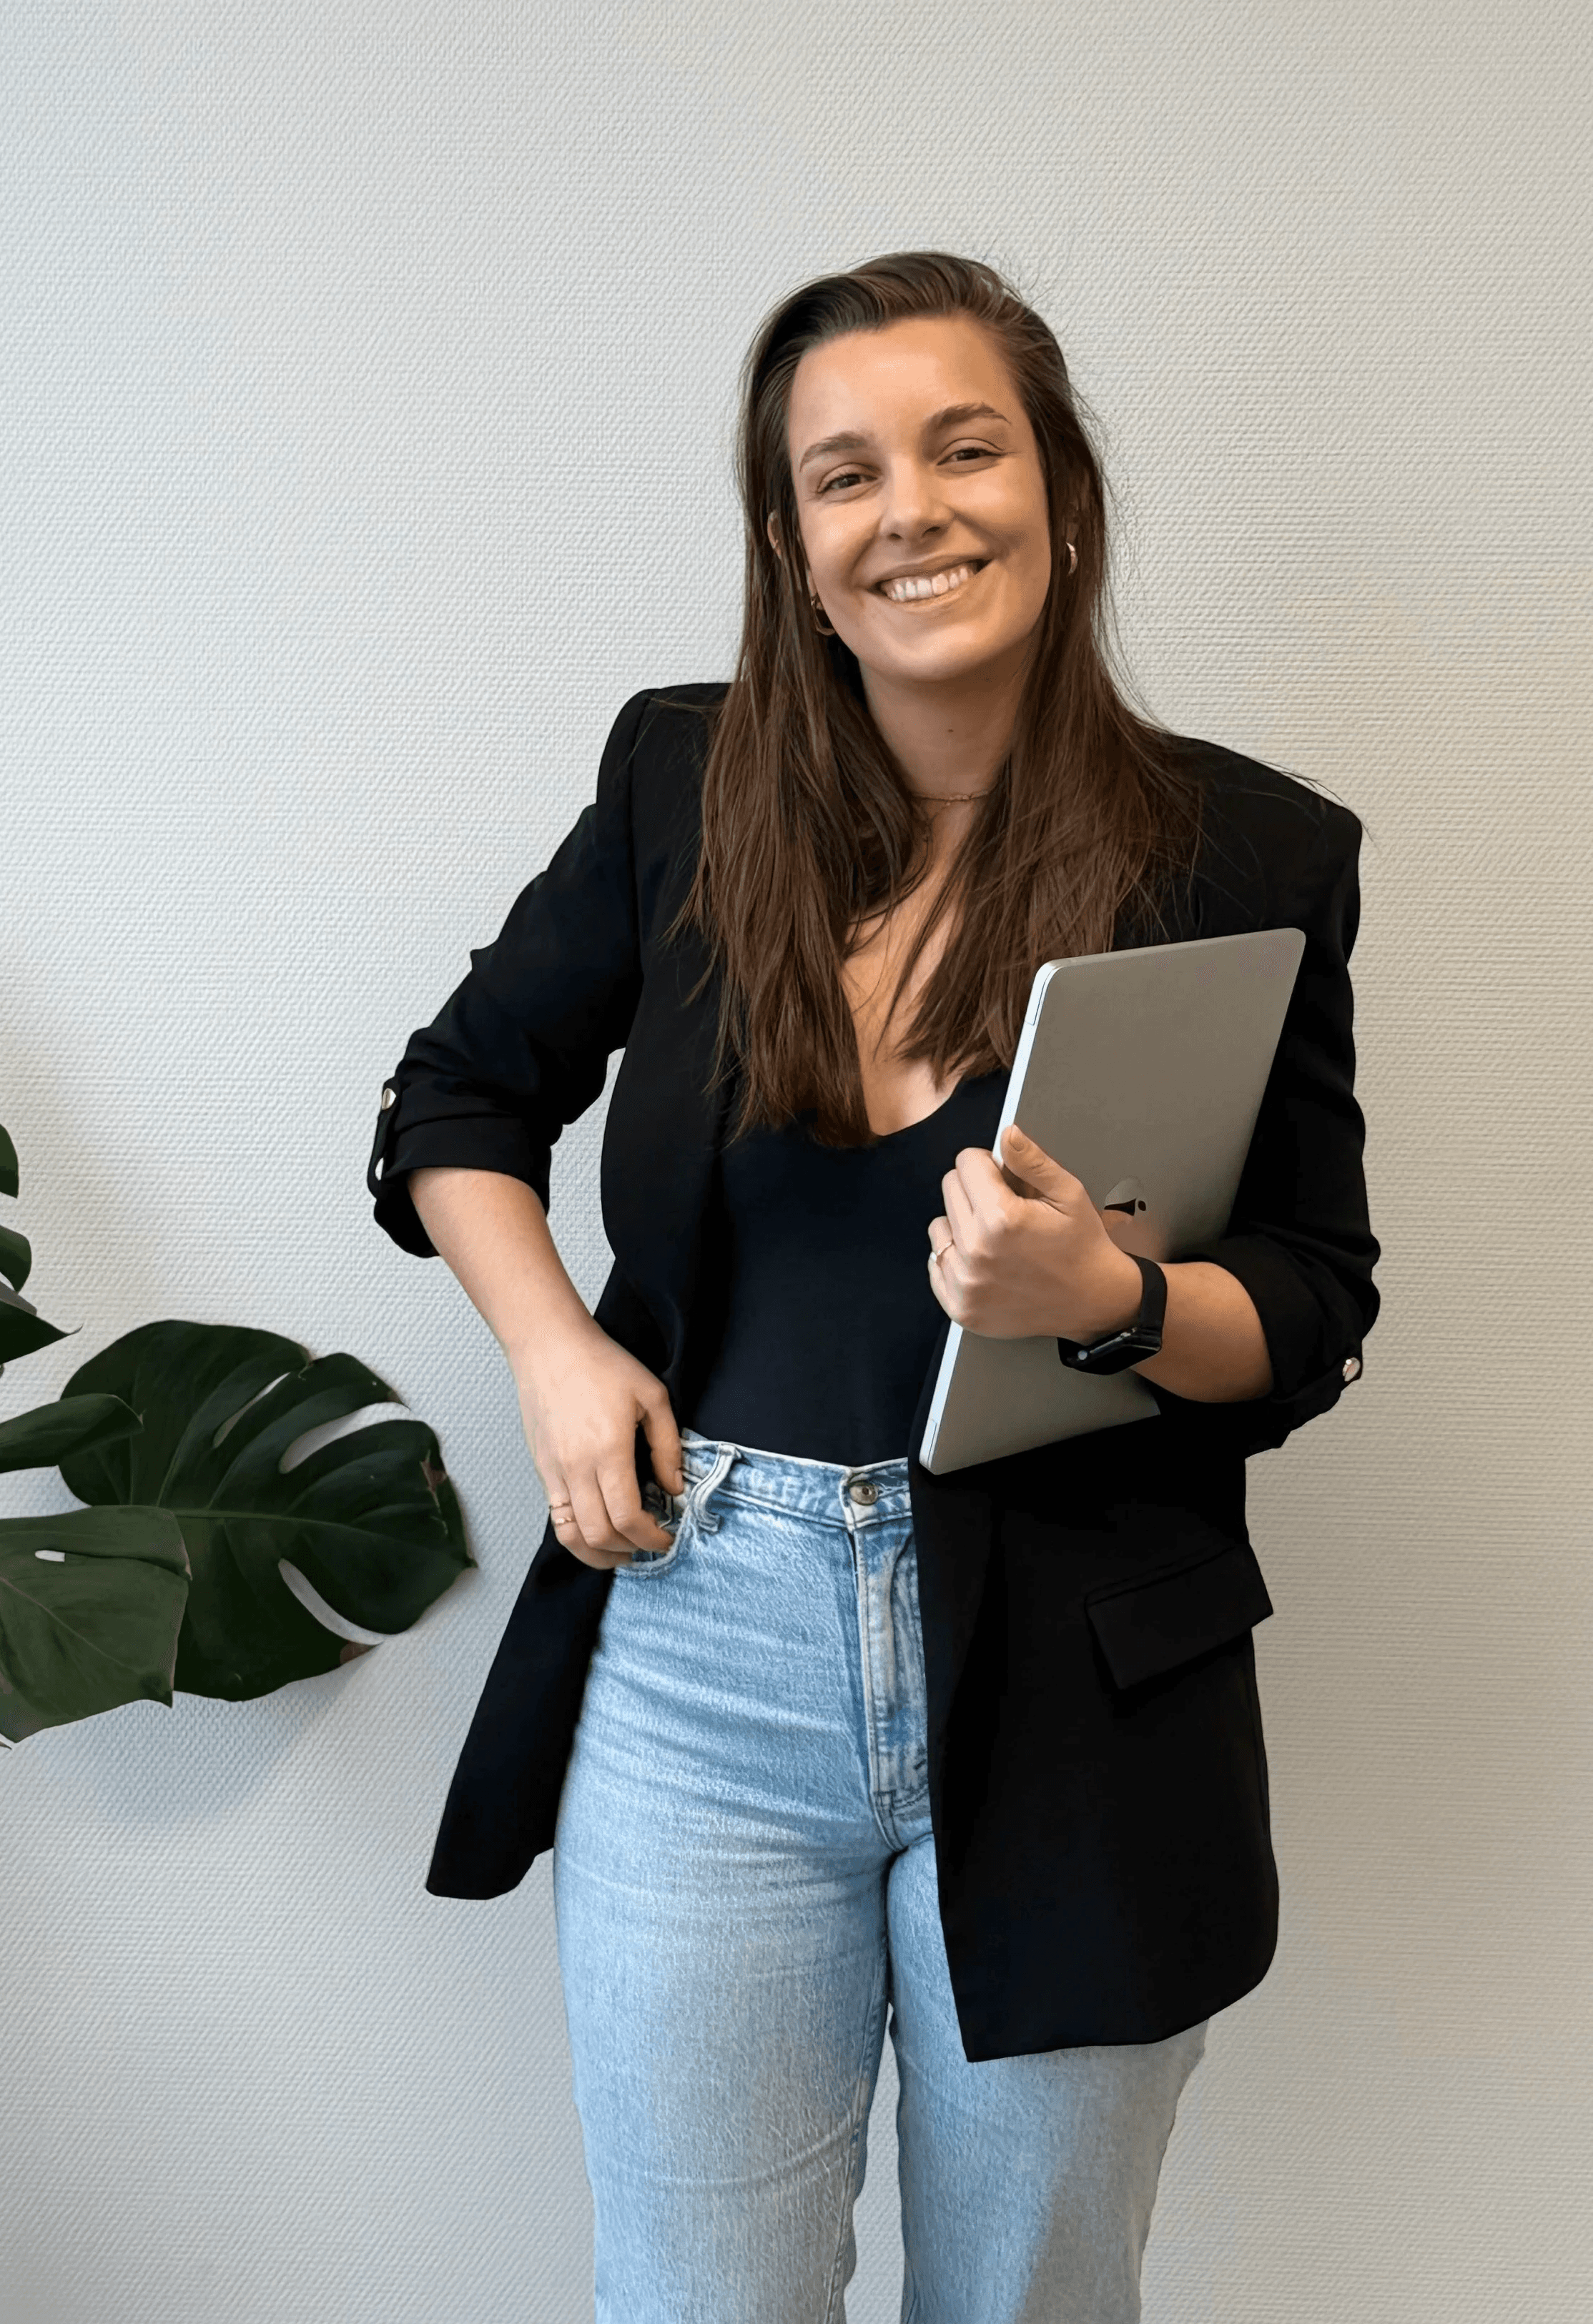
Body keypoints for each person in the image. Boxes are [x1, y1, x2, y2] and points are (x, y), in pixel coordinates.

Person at [366, 250, 1379, 2324]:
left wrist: (1108, 1290)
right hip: (697, 1659)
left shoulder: (1248, 852)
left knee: (1025, 2296)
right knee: (698, 2296)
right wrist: (560, 1357)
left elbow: (1311, 1303)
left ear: (1062, 495)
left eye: (963, 446)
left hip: (1081, 1677)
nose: (908, 506)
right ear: (793, 552)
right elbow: (453, 1105)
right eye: (844, 475)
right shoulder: (679, 785)